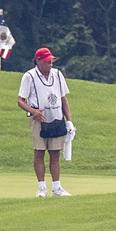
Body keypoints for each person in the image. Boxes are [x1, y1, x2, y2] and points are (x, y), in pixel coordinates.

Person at [17, 47, 75, 197]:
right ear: (38, 61)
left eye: (51, 62)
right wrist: (33, 111)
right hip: (39, 119)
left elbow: (63, 98)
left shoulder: (57, 74)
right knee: (39, 152)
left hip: (56, 117)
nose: (50, 64)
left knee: (55, 153)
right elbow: (20, 101)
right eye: (47, 62)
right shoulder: (29, 76)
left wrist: (69, 120)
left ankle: (57, 187)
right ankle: (41, 187)